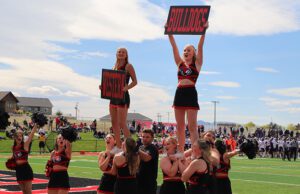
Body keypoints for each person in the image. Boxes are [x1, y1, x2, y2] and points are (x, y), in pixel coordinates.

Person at [166, 22, 208, 152]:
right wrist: (169, 33)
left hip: (190, 93)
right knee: (179, 126)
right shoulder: (180, 64)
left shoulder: (197, 63)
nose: (185, 52)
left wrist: (203, 31)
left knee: (192, 126)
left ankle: (196, 152)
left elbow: (200, 47)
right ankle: (180, 151)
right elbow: (174, 47)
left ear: (194, 53)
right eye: (184, 50)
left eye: (188, 50)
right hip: (179, 93)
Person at [99, 47, 137, 148]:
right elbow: (111, 84)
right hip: (113, 97)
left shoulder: (128, 66)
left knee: (122, 123)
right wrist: (103, 88)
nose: (121, 53)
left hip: (123, 97)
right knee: (114, 122)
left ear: (126, 55)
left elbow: (135, 81)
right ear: (116, 54)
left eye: (123, 52)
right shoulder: (113, 67)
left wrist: (126, 87)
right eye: (119, 52)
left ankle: (130, 147)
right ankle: (119, 147)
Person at [10, 124, 37, 194]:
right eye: (17, 136)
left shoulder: (25, 145)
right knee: (24, 192)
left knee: (28, 192)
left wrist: (36, 125)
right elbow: (14, 157)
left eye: (21, 136)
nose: (19, 137)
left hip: (26, 170)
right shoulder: (13, 147)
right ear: (15, 138)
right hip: (18, 171)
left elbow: (31, 135)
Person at [137, 129, 159, 194]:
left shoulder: (153, 148)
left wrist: (135, 149)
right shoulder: (140, 147)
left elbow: (147, 158)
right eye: (143, 137)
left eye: (147, 137)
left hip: (149, 183)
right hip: (139, 180)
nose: (144, 139)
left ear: (152, 138)